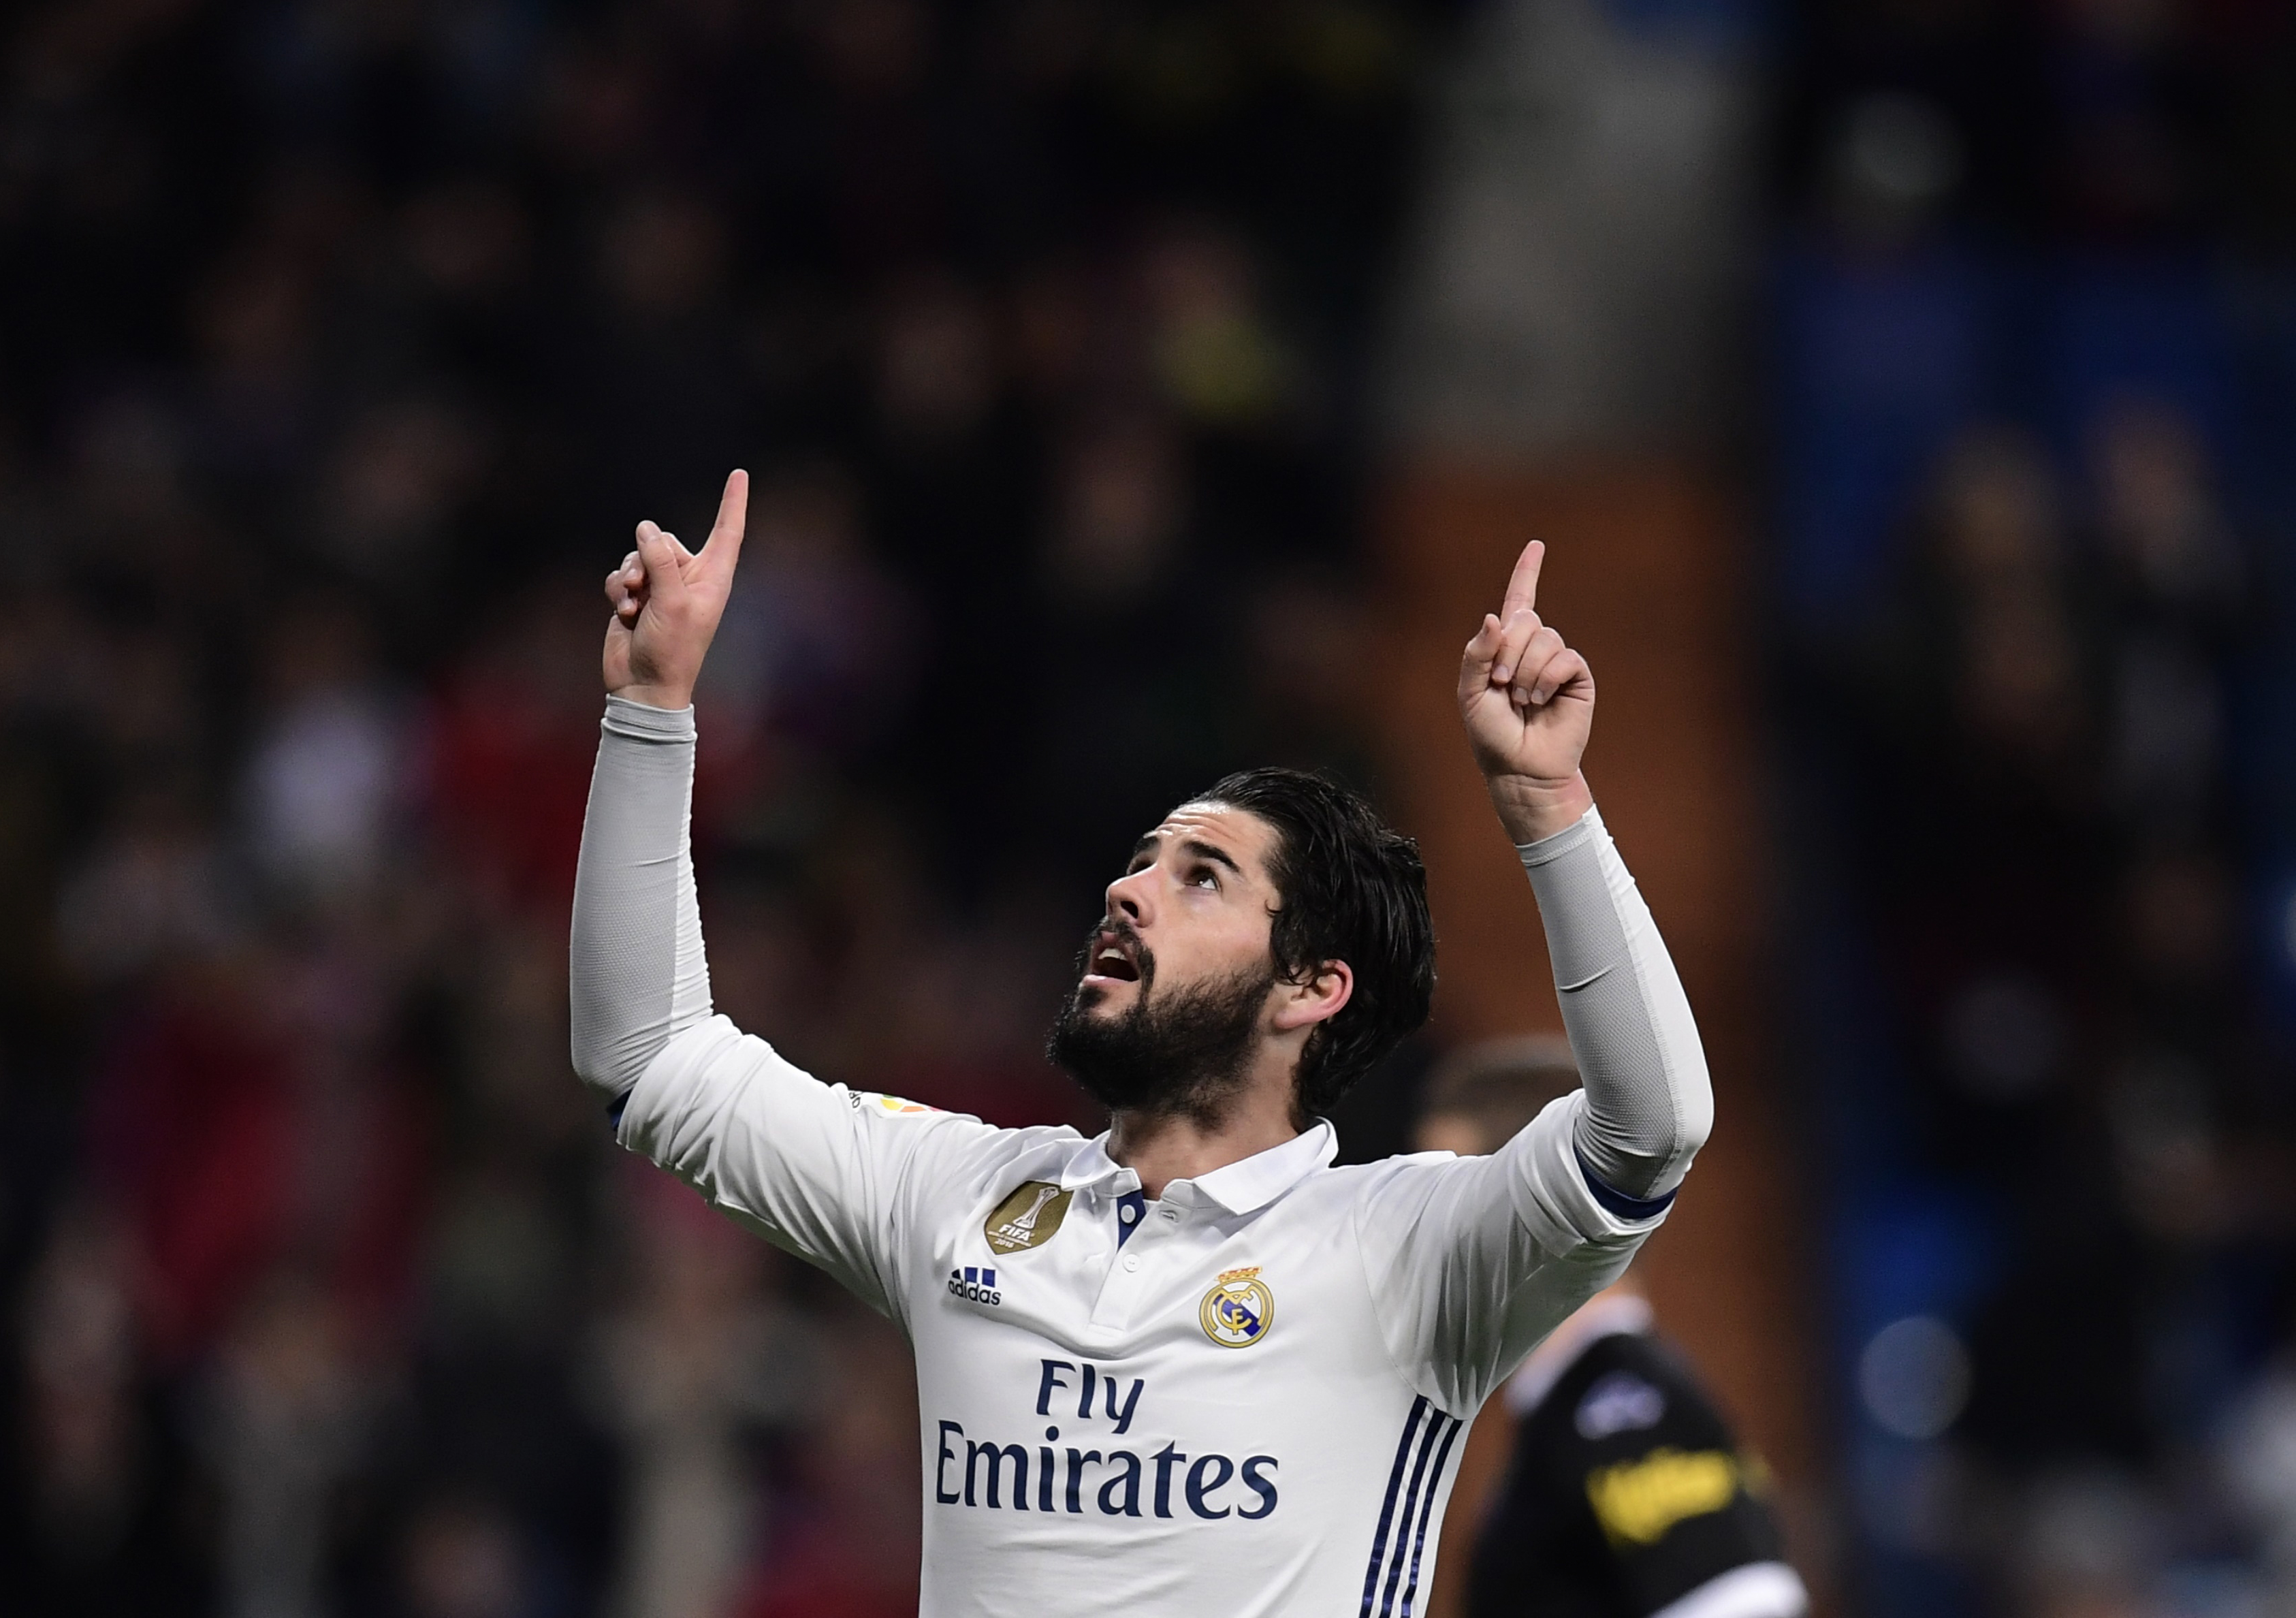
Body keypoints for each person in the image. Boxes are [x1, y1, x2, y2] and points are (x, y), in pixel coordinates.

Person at [569, 469, 1715, 1617]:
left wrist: (1548, 804)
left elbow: (1650, 1126)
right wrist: (652, 707)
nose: (1127, 889)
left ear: (1310, 986)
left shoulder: (1410, 1250)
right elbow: (649, 1053)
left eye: (1198, 876)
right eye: (1142, 860)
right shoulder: (957, 1196)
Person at [1418, 1041, 1806, 1618]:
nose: (1420, 1242)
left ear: (1543, 1212)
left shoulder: (1626, 1407)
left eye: (1442, 1205)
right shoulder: (1575, 1409)